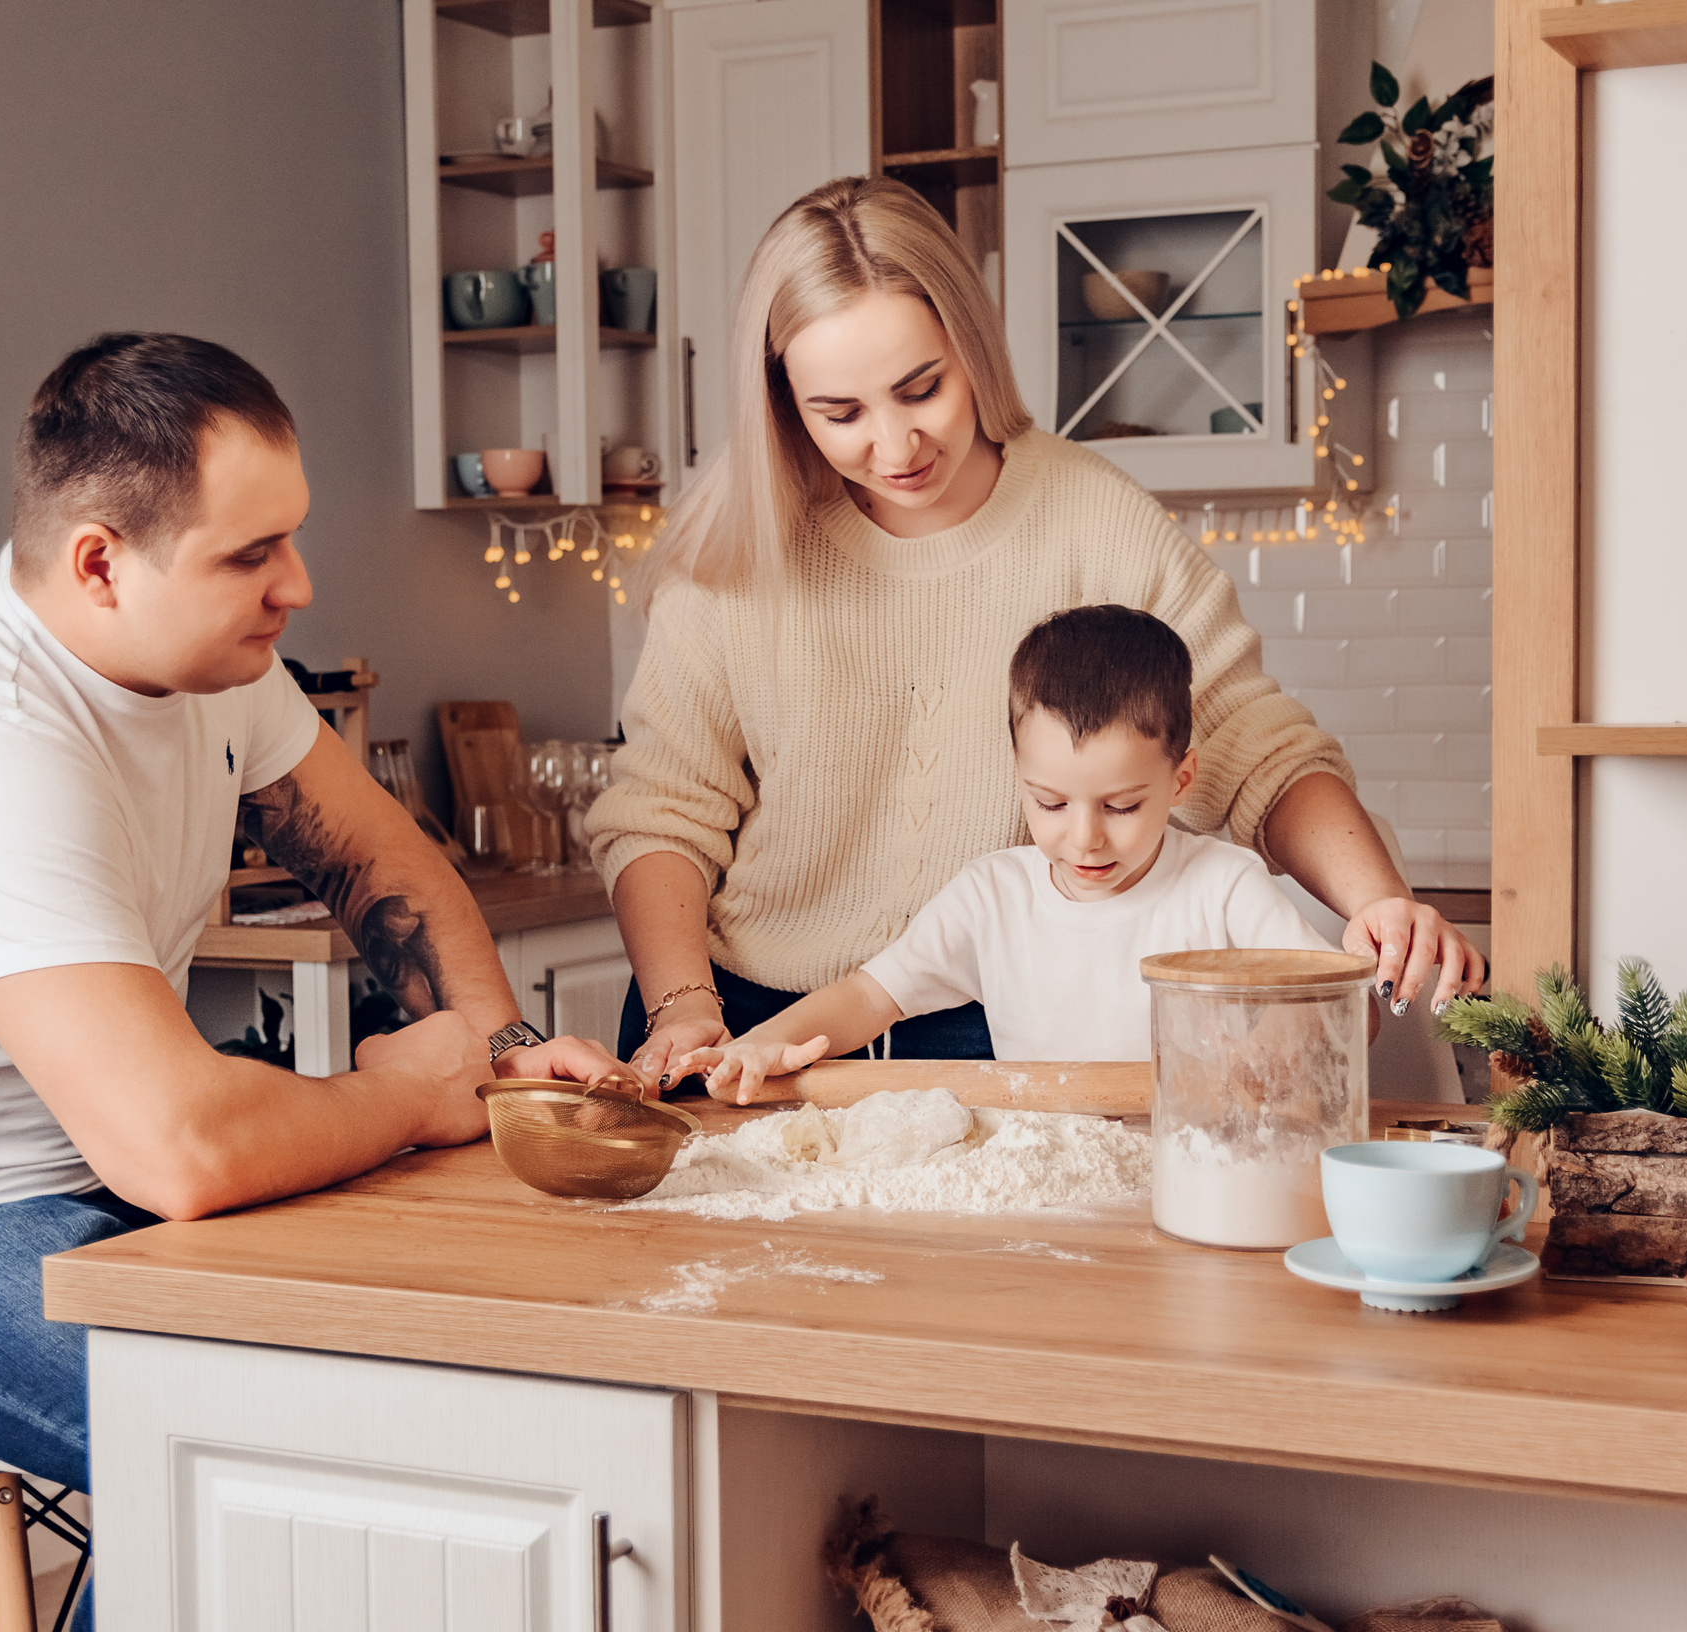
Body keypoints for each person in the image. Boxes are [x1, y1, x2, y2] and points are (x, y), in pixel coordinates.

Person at [0, 333, 628, 1632]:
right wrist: (418, 1094)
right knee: (243, 1427)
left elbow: (388, 861)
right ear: (98, 562)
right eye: (252, 556)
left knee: (431, 1350)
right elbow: (180, 1147)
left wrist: (491, 1059)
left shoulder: (215, 665)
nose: (297, 587)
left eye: (291, 539)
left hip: (71, 1185)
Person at [588, 177, 1484, 1087]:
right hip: (742, 1026)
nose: (896, 447)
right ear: (782, 399)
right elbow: (663, 811)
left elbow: (1258, 754)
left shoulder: (1098, 522)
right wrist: (682, 1003)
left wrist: (1378, 901)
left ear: (971, 346)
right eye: (841, 414)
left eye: (922, 388)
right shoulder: (738, 549)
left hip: (987, 1040)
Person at [681, 606, 1344, 1101]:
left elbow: (1338, 1003)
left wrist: (1269, 1049)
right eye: (1050, 803)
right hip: (1044, 1174)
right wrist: (764, 1040)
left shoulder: (1223, 887)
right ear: (1019, 770)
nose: (1084, 838)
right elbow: (867, 996)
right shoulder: (991, 896)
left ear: (1181, 778)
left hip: (1195, 1163)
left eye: (1120, 806)